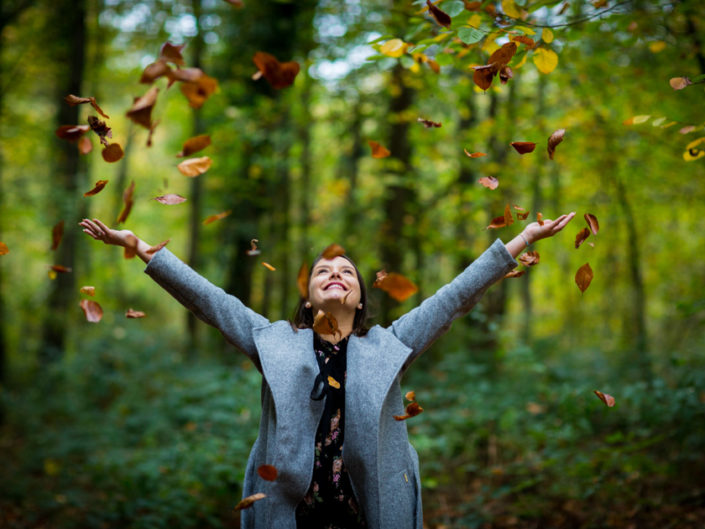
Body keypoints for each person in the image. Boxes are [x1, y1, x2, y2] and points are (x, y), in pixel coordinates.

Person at [80, 212, 575, 529]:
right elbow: (209, 300)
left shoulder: (392, 343)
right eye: (322, 271)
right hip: (291, 512)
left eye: (346, 273)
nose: (335, 274)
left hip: (371, 511)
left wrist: (518, 242)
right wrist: (141, 246)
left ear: (359, 300)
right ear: (308, 296)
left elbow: (455, 298)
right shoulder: (272, 340)